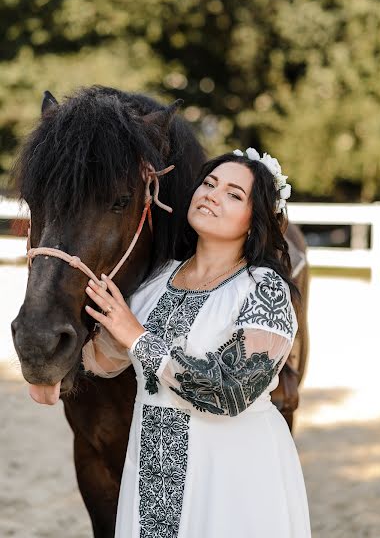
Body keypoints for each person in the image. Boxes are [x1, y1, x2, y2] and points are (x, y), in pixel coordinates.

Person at [83, 148, 312, 538]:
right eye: (208, 183)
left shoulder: (264, 291)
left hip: (232, 474)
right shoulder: (157, 281)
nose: (212, 194)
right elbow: (103, 361)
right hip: (152, 472)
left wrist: (138, 337)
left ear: (254, 218)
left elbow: (229, 392)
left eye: (233, 194)